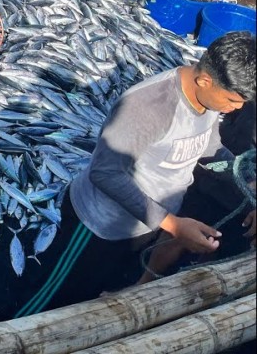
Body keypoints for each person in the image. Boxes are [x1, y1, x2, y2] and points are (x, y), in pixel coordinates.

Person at [16, 31, 255, 317]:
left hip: (143, 224)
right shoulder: (148, 107)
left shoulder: (207, 101)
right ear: (205, 80)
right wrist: (173, 225)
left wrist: (246, 179)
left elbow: (209, 144)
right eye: (233, 100)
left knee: (88, 296)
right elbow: (105, 173)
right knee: (51, 298)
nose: (238, 108)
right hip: (98, 228)